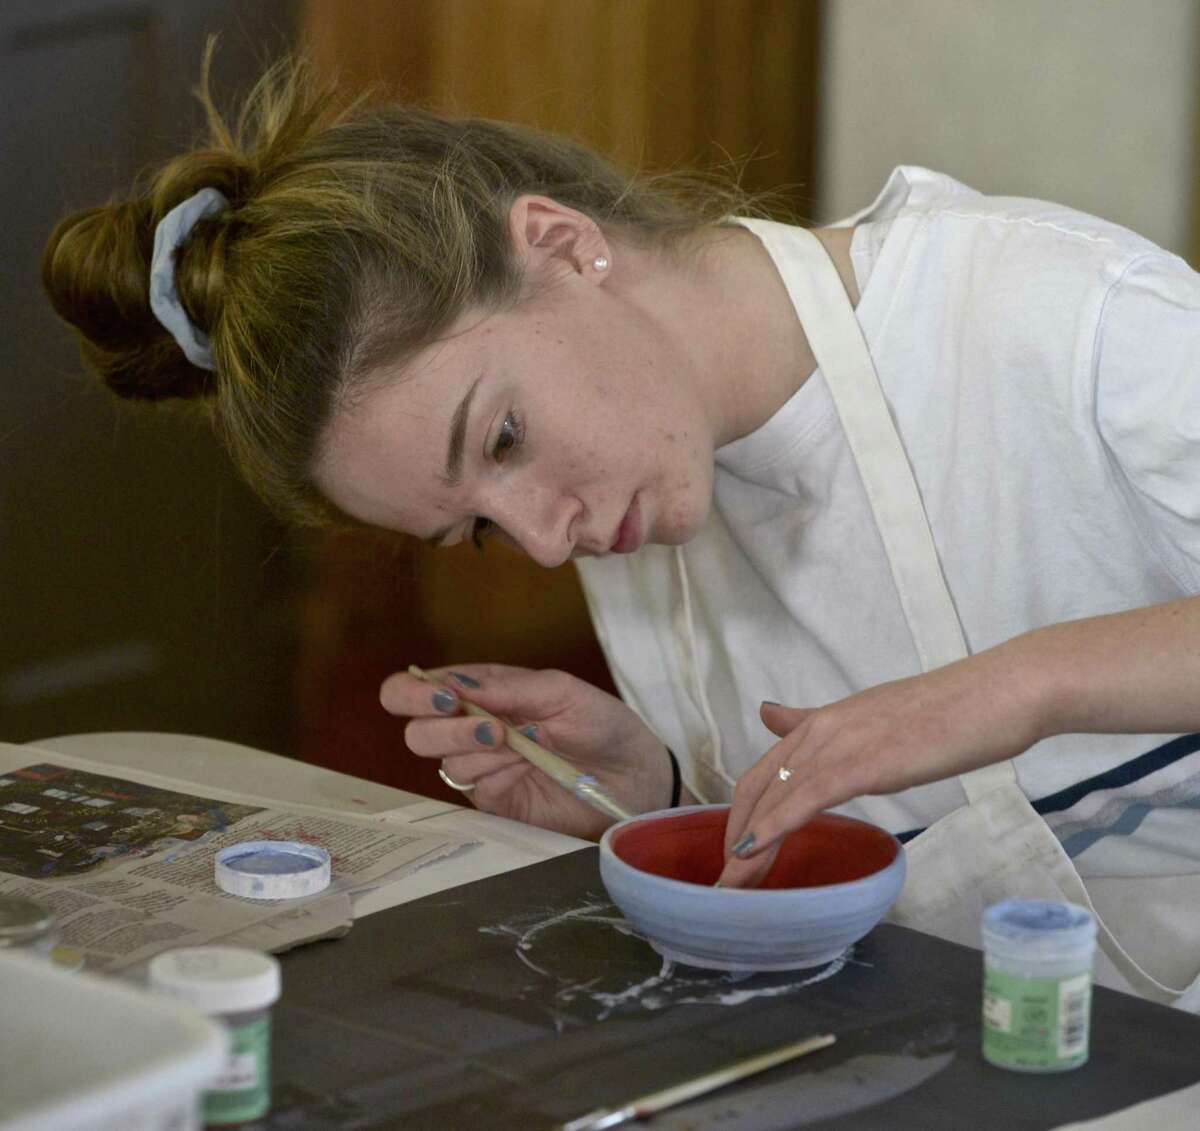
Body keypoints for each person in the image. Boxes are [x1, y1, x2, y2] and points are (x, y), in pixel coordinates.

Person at [42, 51, 1200, 1010]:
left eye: (500, 440)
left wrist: (1012, 687)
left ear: (560, 245)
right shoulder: (638, 489)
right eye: (479, 532)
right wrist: (654, 798)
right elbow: (879, 874)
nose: (546, 541)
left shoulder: (1051, 314)